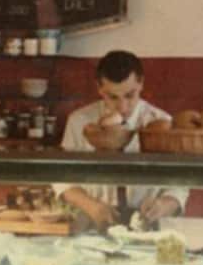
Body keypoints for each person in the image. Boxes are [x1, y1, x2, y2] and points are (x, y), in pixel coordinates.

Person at [56, 50, 187, 231]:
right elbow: (62, 179)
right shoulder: (79, 121)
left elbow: (180, 183)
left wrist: (163, 204)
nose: (123, 107)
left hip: (147, 225)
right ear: (99, 88)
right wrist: (92, 207)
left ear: (141, 83)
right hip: (91, 222)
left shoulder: (162, 123)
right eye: (113, 97)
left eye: (129, 95)